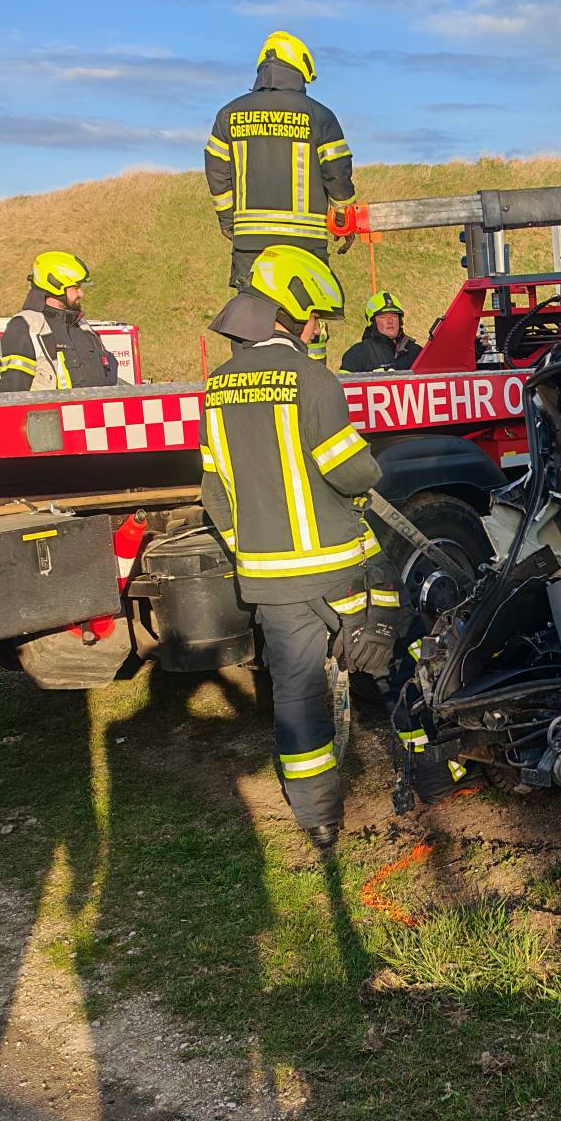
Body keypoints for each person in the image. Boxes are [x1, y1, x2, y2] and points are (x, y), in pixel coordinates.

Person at [199, 245, 398, 852]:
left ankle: (317, 818)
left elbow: (215, 491)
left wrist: (250, 551)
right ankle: (432, 766)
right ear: (291, 312)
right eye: (314, 317)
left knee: (296, 694)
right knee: (391, 651)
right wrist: (373, 472)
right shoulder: (312, 377)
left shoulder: (216, 387)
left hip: (271, 581)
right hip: (338, 569)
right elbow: (348, 469)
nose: (316, 329)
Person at [204, 31, 355, 290]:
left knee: (252, 311)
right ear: (299, 69)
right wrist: (343, 219)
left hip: (250, 245)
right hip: (305, 245)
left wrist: (228, 221)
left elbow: (217, 171)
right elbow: (337, 173)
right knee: (308, 311)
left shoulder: (228, 114)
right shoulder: (320, 116)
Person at [0, 251, 118, 391]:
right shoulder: (26, 328)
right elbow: (12, 393)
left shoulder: (82, 325)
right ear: (55, 286)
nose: (81, 294)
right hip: (50, 407)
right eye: (76, 288)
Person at [340, 290, 420, 373]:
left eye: (394, 316)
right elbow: (343, 381)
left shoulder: (416, 352)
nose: (390, 321)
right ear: (372, 322)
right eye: (383, 317)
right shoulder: (358, 354)